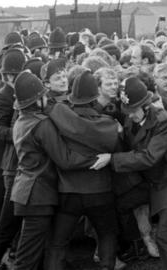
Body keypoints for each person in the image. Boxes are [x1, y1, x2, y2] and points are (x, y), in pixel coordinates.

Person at [91, 77, 167, 270]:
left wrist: (112, 159)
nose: (129, 116)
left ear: (146, 106)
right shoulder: (133, 122)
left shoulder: (163, 121)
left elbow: (148, 156)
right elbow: (132, 146)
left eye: (133, 112)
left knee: (165, 234)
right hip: (158, 181)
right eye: (128, 112)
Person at [11, 70, 97, 270]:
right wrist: (94, 158)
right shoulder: (41, 124)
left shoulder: (21, 121)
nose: (45, 97)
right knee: (27, 259)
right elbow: (65, 159)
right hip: (39, 196)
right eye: (42, 95)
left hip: (26, 193)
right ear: (36, 100)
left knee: (34, 254)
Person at [44, 70, 120, 270]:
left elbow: (55, 109)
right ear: (96, 96)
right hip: (100, 192)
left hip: (69, 191)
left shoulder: (60, 116)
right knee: (107, 235)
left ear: (72, 96)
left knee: (58, 243)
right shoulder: (109, 124)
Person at [0, 48, 26, 270]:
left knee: (4, 219)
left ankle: (8, 254)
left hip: (10, 164)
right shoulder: (1, 96)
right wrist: (21, 135)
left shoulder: (19, 93)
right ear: (9, 76)